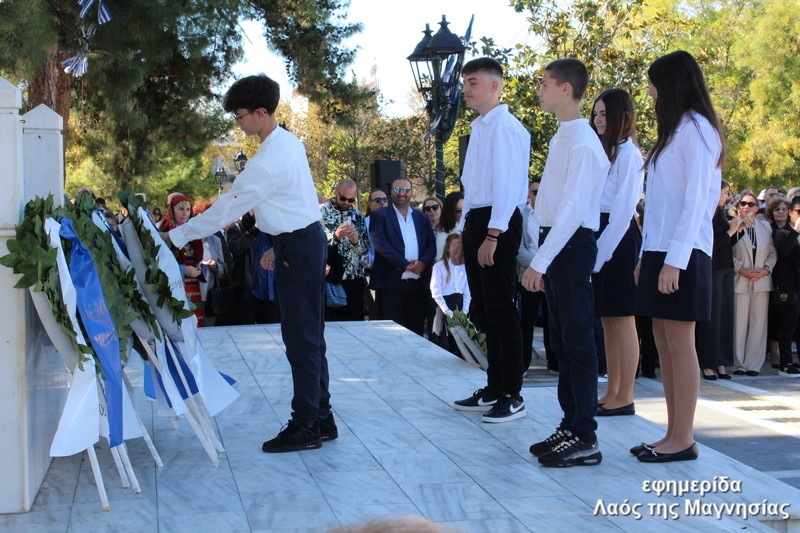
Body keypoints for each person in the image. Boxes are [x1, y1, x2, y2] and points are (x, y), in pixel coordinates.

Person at [162, 74, 334, 453]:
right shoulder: (287, 141)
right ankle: (321, 417)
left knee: (300, 338)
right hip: (299, 240)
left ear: (260, 113)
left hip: (298, 245)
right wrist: (276, 244)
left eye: (239, 115)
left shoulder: (268, 160)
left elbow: (226, 208)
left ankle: (306, 424)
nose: (237, 123)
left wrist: (176, 236)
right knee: (310, 334)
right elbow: (292, 202)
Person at [630, 51, 725, 463]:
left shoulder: (698, 130)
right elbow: (659, 204)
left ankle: (683, 438)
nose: (650, 92)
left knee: (680, 341)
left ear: (671, 84)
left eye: (654, 83)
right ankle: (671, 433)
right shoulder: (674, 131)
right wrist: (646, 254)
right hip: (660, 248)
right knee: (663, 339)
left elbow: (697, 202)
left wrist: (675, 260)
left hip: (684, 251)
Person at [521, 58, 608, 467]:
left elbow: (573, 210)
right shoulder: (563, 136)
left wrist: (540, 261)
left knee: (577, 341)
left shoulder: (584, 142)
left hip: (571, 244)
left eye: (545, 83)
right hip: (557, 242)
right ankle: (570, 423)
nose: (539, 90)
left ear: (566, 89)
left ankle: (585, 435)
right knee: (561, 342)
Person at [451, 57, 530, 424]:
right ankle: (495, 386)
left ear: (494, 86)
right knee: (485, 308)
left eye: (473, 82)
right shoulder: (480, 127)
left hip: (498, 221)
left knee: (501, 309)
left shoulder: (506, 128)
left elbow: (509, 186)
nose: (466, 89)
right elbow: (472, 187)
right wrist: (462, 232)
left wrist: (493, 234)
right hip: (478, 220)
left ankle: (512, 393)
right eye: (465, 82)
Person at [589, 89, 644, 417]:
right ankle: (612, 390)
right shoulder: (605, 151)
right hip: (600, 233)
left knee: (623, 319)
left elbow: (623, 212)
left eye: (604, 114)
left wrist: (599, 257)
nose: (598, 119)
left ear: (622, 116)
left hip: (618, 239)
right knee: (608, 319)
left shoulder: (629, 155)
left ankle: (626, 395)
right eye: (595, 113)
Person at [369, 177, 436, 335]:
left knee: (416, 332)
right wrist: (405, 265)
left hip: (418, 285)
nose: (401, 193)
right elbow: (380, 245)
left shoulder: (421, 217)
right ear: (391, 192)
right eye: (397, 189)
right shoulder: (379, 216)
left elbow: (431, 244)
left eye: (406, 190)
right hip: (391, 285)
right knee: (390, 334)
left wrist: (423, 263)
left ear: (411, 192)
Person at [731, 190, 775, 376]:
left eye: (751, 204)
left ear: (757, 208)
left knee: (758, 324)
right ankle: (738, 363)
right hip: (740, 279)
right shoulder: (733, 225)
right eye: (743, 204)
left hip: (761, 281)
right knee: (738, 323)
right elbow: (726, 251)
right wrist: (741, 269)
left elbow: (772, 252)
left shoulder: (766, 227)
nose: (746, 207)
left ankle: (753, 364)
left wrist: (765, 270)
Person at [695, 181, 735, 380]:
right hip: (712, 269)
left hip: (726, 268)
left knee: (725, 317)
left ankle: (721, 361)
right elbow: (710, 244)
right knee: (712, 319)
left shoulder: (721, 213)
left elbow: (727, 243)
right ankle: (707, 362)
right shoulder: (706, 213)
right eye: (725, 192)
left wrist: (739, 229)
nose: (727, 197)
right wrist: (731, 231)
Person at [516, 178, 554, 374]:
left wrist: (544, 268)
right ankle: (523, 363)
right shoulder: (522, 215)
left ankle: (554, 362)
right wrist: (537, 266)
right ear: (529, 194)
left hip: (550, 275)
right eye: (535, 192)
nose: (539, 195)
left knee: (552, 320)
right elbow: (518, 248)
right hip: (528, 274)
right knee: (527, 320)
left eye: (542, 191)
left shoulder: (554, 213)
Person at [320, 179, 370, 321]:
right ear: (336, 192)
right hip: (329, 279)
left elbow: (365, 248)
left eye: (351, 200)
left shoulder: (358, 216)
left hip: (353, 279)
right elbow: (313, 244)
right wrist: (335, 237)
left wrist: (356, 241)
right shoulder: (320, 212)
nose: (346, 202)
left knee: (354, 324)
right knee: (329, 325)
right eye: (343, 198)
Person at [765, 197, 800, 375]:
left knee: (796, 324)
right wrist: (796, 231)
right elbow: (784, 251)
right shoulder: (778, 232)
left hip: (796, 284)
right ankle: (785, 362)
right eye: (777, 209)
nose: (781, 212)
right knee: (785, 324)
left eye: (783, 209)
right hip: (783, 284)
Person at [160, 193, 206, 327]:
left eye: (187, 209)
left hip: (194, 283)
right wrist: (183, 269)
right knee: (181, 322)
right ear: (172, 210)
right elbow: (162, 261)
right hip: (176, 284)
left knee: (196, 322)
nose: (185, 213)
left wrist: (199, 266)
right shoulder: (164, 231)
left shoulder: (194, 231)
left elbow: (197, 256)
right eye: (180, 209)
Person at [430, 233, 471, 355]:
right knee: (443, 342)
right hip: (444, 308)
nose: (456, 248)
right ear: (447, 248)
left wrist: (464, 311)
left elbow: (467, 292)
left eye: (459, 245)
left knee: (459, 345)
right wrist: (447, 311)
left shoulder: (464, 267)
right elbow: (436, 291)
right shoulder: (439, 266)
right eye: (453, 245)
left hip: (460, 307)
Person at [434, 191, 464, 261]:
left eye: (465, 209)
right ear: (451, 211)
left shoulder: (473, 225)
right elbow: (440, 257)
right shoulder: (444, 230)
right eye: (458, 210)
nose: (463, 213)